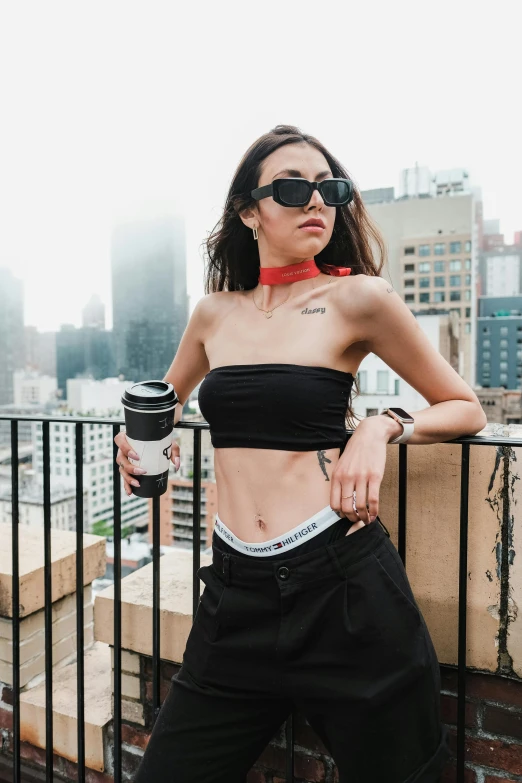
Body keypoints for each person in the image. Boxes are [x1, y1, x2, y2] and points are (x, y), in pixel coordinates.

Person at [114, 124, 486, 783]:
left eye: (329, 188)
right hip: (234, 600)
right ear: (248, 209)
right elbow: (161, 401)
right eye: (294, 187)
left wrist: (380, 427)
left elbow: (464, 405)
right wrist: (138, 441)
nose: (317, 201)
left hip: (343, 590)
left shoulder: (358, 298)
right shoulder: (213, 315)